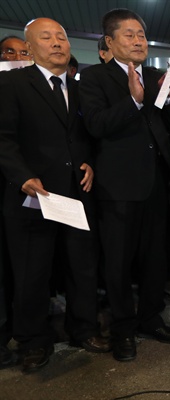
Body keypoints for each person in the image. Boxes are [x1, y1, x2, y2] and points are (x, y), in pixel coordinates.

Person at [0, 17, 110, 373]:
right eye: (46, 37)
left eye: (61, 36)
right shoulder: (11, 83)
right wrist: (23, 177)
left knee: (82, 266)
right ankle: (33, 341)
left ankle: (83, 328)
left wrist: (89, 162)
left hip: (76, 195)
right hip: (33, 196)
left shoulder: (80, 88)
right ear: (30, 49)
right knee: (33, 272)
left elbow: (88, 136)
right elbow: (4, 139)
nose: (57, 43)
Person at [79, 8, 170, 362]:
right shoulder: (94, 78)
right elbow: (95, 125)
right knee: (119, 261)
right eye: (130, 35)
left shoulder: (156, 75)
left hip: (156, 181)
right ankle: (123, 328)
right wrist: (134, 100)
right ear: (109, 42)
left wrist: (169, 96)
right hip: (118, 185)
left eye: (142, 35)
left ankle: (151, 319)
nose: (139, 40)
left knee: (156, 257)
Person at [0, 34, 34, 370]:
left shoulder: (35, 91)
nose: (17, 57)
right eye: (10, 51)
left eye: (24, 52)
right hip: (10, 182)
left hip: (23, 190)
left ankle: (19, 331)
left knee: (20, 268)